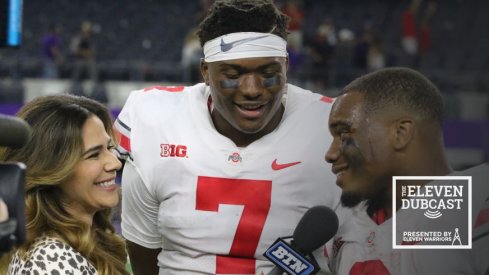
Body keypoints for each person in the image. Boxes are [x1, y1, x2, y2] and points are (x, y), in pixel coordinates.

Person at [114, 0, 348, 274]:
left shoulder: (332, 124)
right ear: (205, 72)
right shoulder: (154, 117)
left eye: (268, 73)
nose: (252, 89)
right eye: (232, 75)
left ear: (286, 66)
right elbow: (142, 247)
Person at [325, 67, 489, 274]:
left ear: (401, 133)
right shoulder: (340, 228)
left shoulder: (476, 202)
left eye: (343, 134)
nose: (330, 154)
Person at [0, 94, 129, 274]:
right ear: (53, 170)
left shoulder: (73, 245)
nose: (115, 163)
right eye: (94, 154)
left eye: (109, 148)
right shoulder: (50, 260)